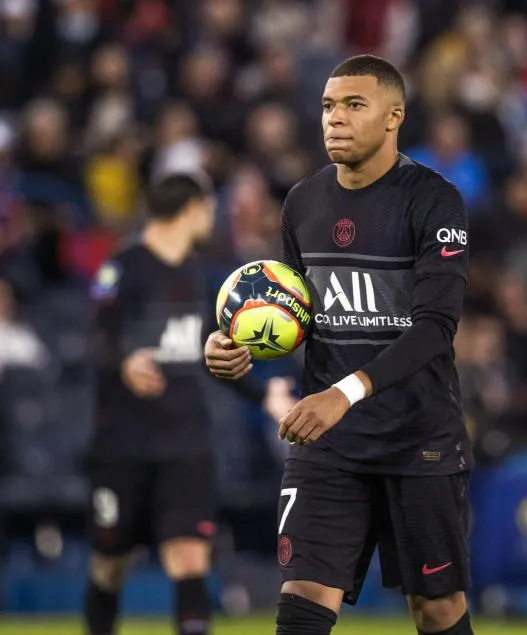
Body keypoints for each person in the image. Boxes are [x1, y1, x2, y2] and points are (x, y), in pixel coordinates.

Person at [203, 55, 475, 635]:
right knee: (302, 599)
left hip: (418, 439)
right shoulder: (303, 202)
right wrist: (237, 346)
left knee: (437, 610)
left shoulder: (434, 200)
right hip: (328, 443)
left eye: (354, 105)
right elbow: (299, 316)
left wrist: (343, 394)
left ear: (393, 116)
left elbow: (435, 327)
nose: (335, 118)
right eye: (328, 106)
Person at [85, 172, 292, 635]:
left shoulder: (198, 275)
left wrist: (264, 394)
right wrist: (124, 362)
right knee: (109, 564)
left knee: (189, 556)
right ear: (194, 208)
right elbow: (96, 336)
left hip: (185, 442)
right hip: (123, 443)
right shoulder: (121, 267)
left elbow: (208, 354)